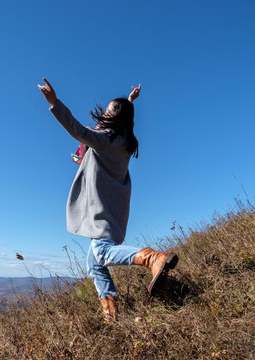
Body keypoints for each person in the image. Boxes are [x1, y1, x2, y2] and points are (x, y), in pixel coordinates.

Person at [38, 78, 178, 323]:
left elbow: (78, 130)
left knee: (101, 254)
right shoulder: (124, 140)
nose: (104, 114)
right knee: (94, 263)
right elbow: (125, 119)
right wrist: (130, 100)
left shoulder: (105, 139)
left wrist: (54, 103)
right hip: (116, 207)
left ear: (115, 117)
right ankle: (111, 316)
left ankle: (154, 258)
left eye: (108, 111)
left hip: (102, 207)